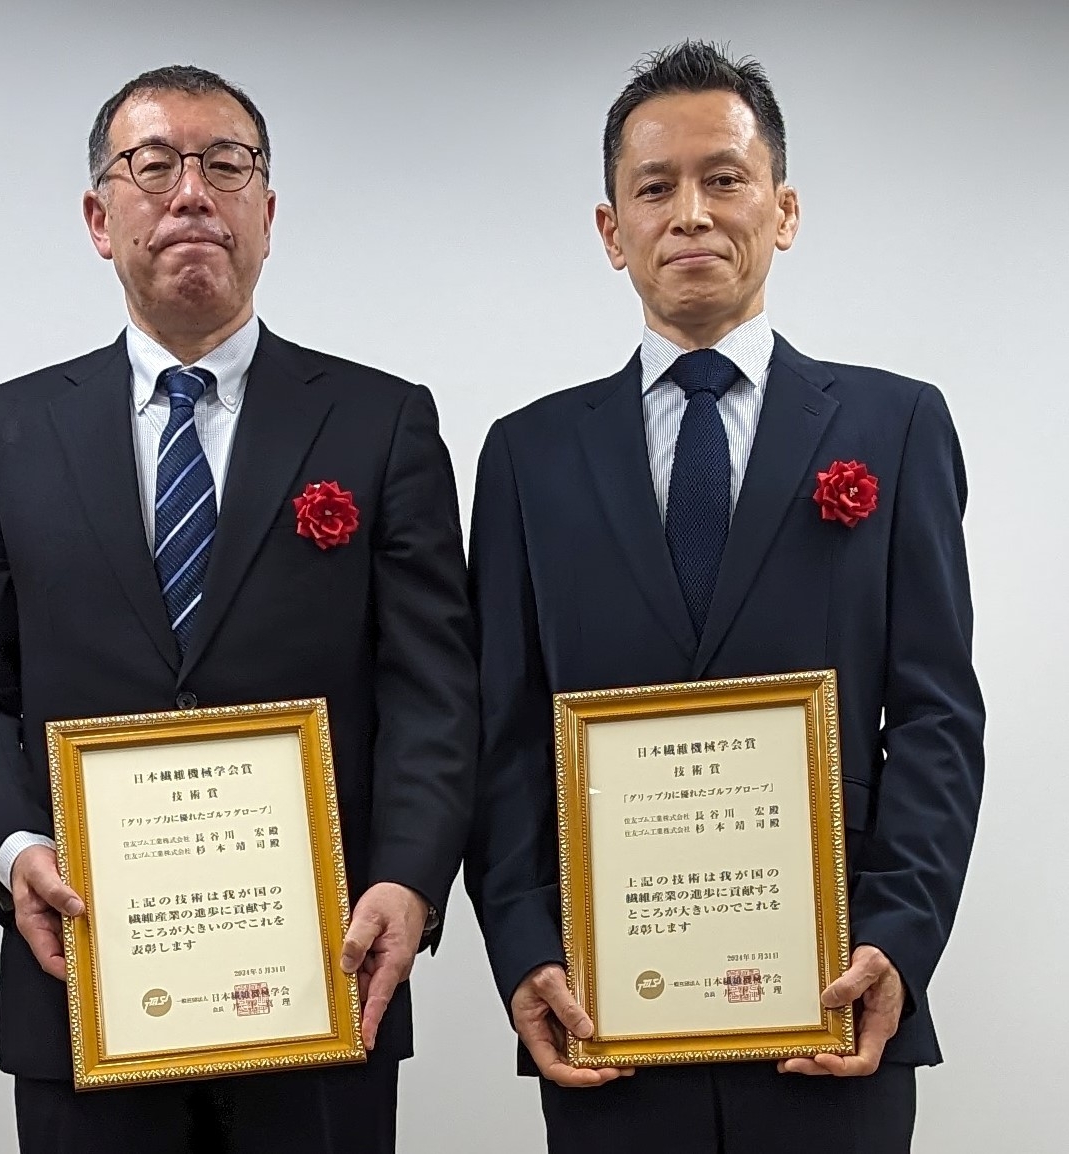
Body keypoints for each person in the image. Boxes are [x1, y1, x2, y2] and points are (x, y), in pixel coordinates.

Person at [0, 64, 476, 1154]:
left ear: (267, 211)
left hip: (321, 978)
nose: (190, 193)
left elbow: (433, 687)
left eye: (226, 164)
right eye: (152, 164)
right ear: (97, 215)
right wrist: (14, 846)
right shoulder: (3, 433)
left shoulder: (379, 422)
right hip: (85, 982)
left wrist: (407, 874)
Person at [464, 41, 983, 1153]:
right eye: (654, 187)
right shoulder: (525, 454)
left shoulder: (892, 426)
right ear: (611, 230)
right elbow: (499, 732)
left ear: (782, 210)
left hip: (835, 1001)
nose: (689, 213)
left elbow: (935, 711)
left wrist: (896, 935)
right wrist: (523, 948)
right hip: (608, 1013)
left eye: (724, 178)